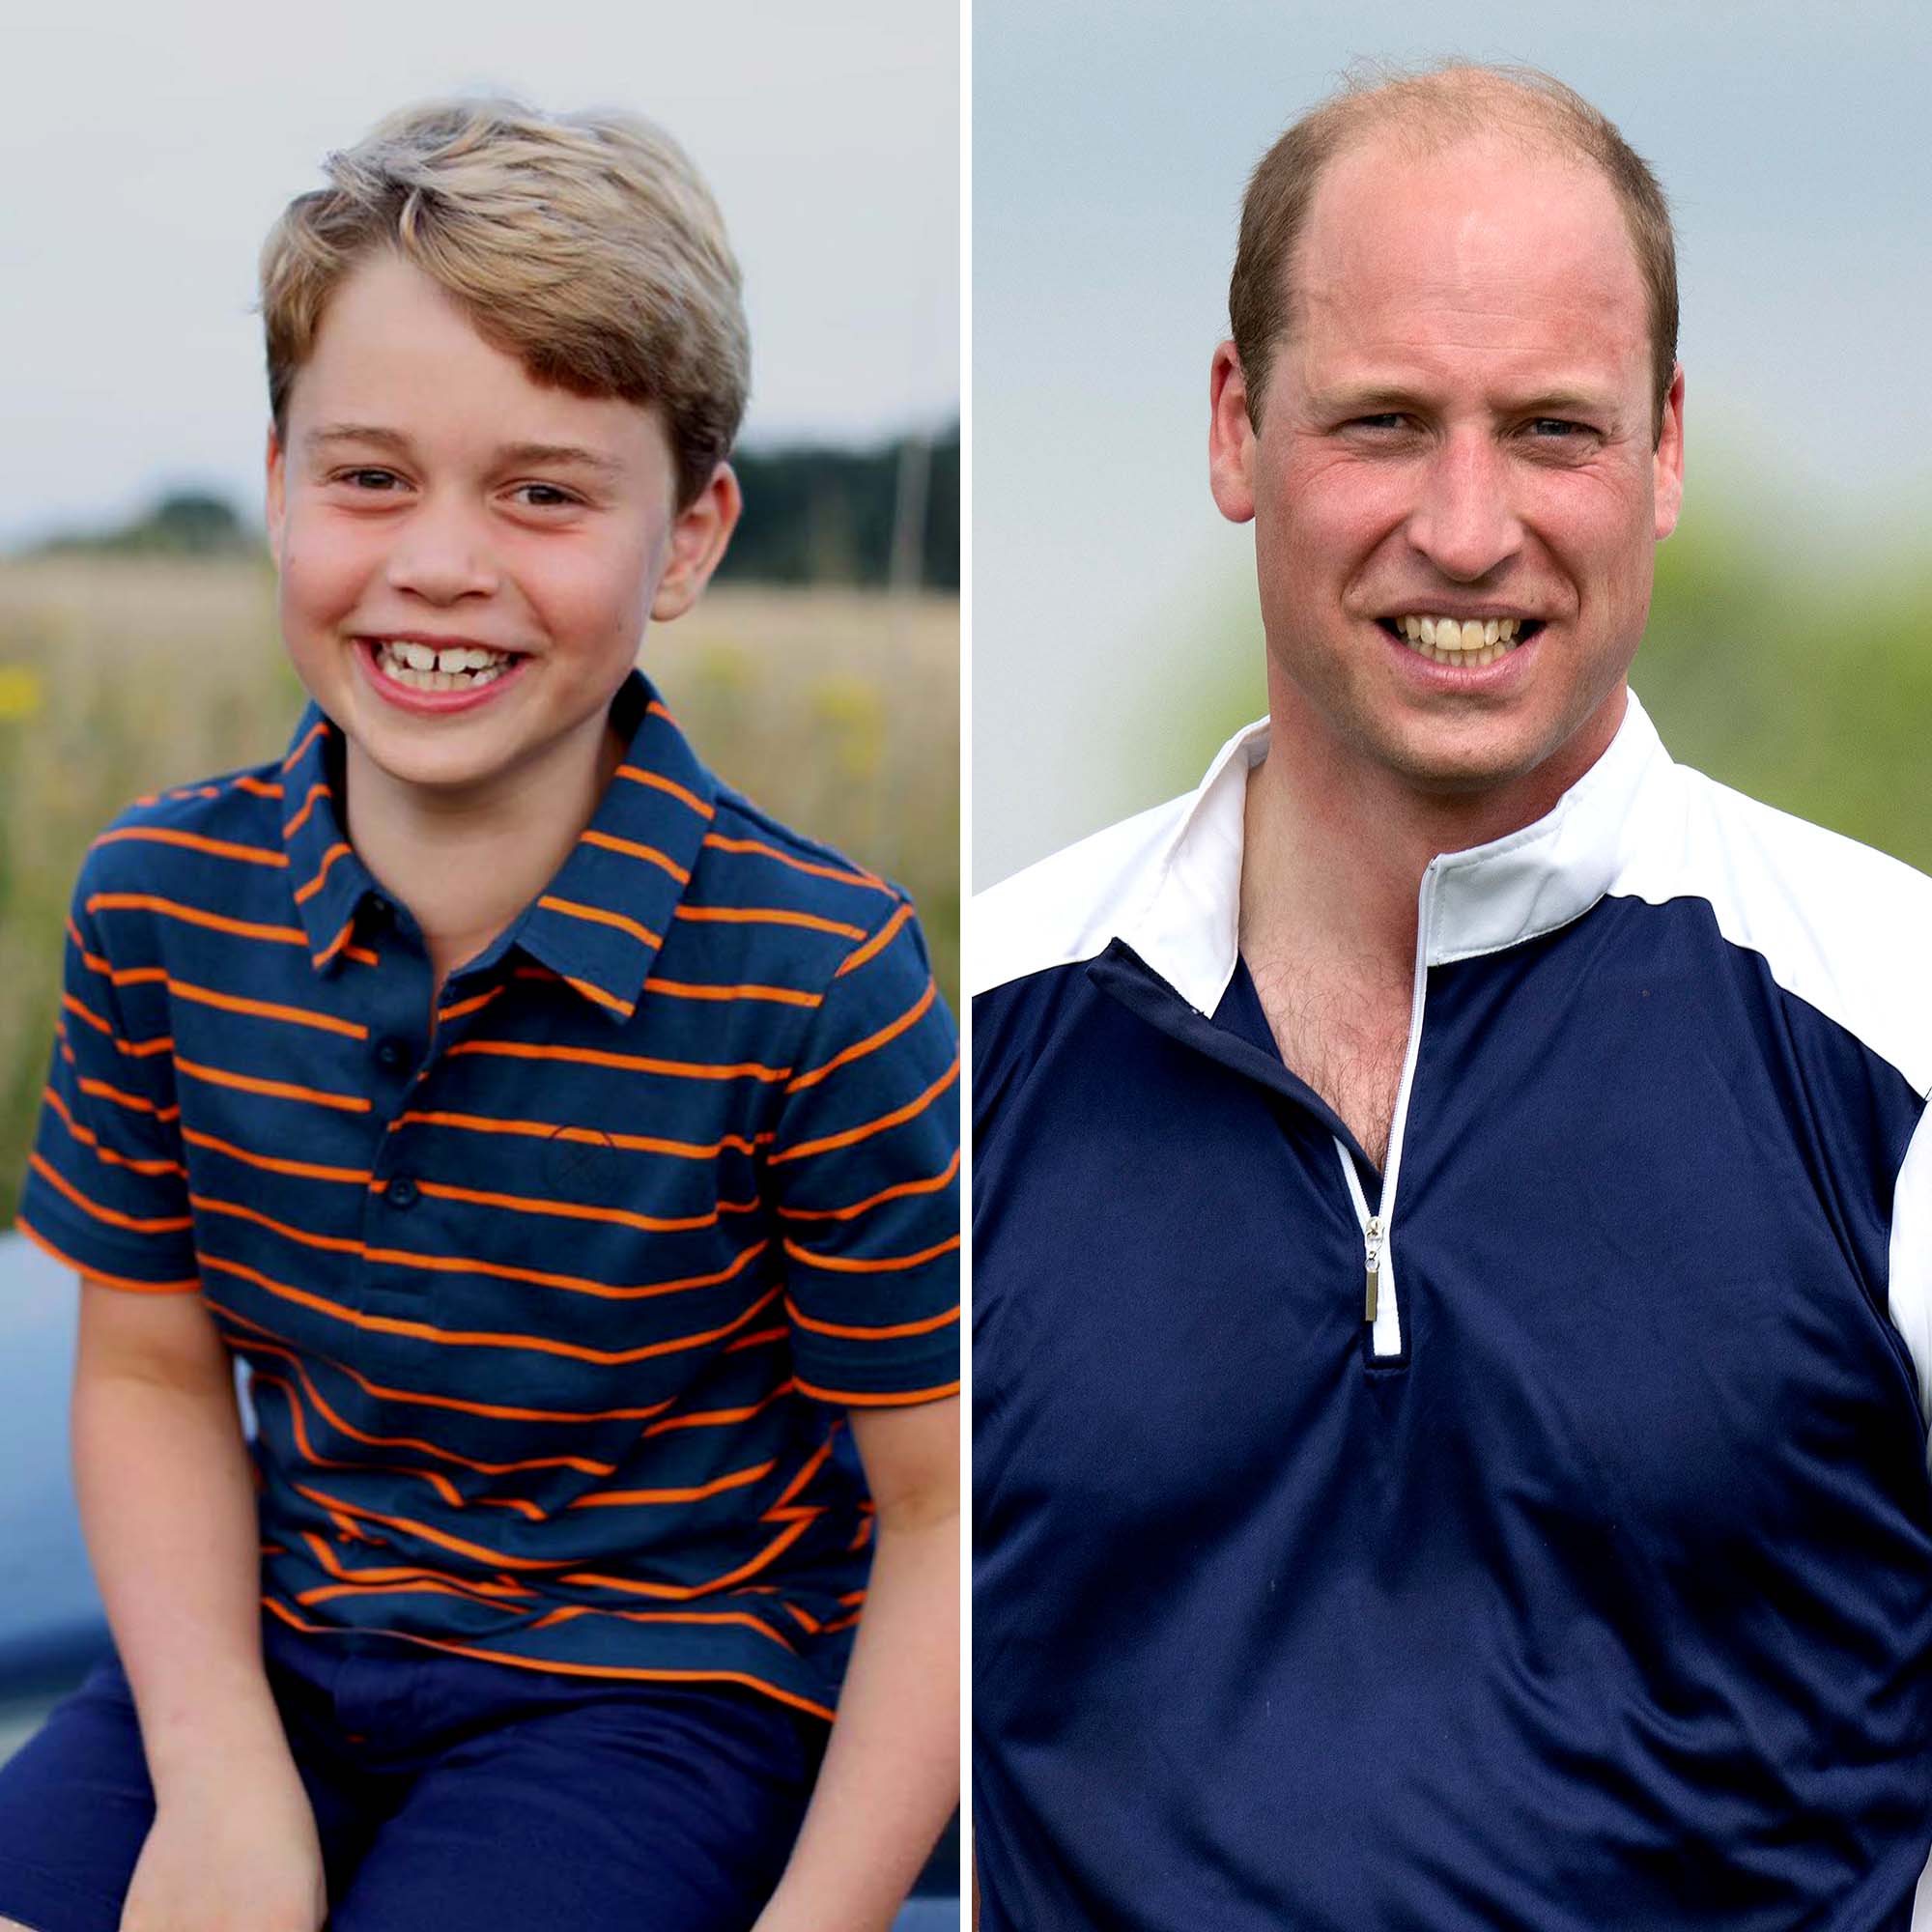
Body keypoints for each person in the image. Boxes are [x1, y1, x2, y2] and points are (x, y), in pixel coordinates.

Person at [972, 60, 1932, 1931]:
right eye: (1386, 421)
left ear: (1662, 450)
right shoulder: (972, 1041)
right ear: (1237, 425)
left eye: (1551, 430)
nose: (1468, 528)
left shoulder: (1897, 1018)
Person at [1, 98, 959, 1932]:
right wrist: (217, 1784)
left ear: (686, 538)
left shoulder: (818, 976)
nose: (442, 562)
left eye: (543, 490)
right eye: (369, 476)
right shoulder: (158, 901)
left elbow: (940, 1511)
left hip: (654, 1692)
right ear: (277, 482)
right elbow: (142, 1364)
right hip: (279, 1647)